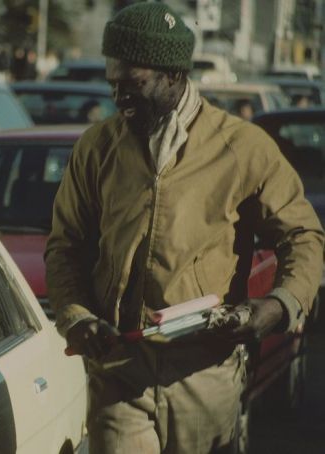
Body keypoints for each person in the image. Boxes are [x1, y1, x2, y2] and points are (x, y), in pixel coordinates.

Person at [44, 3, 324, 454]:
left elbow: (303, 236)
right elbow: (65, 245)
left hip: (205, 375)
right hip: (119, 371)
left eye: (133, 84)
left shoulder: (243, 147)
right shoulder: (97, 148)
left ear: (174, 76)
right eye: (113, 83)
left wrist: (280, 305)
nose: (119, 98)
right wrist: (75, 317)